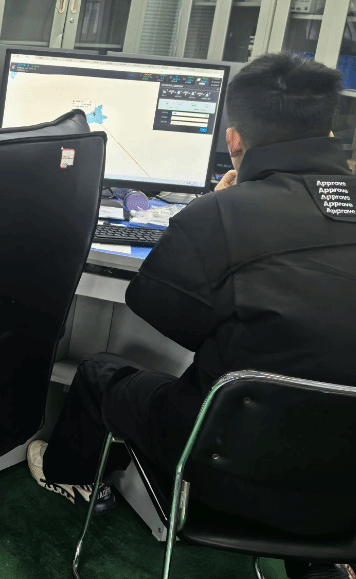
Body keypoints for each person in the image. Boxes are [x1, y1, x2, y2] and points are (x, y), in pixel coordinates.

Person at [28, 53, 355, 578]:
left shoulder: (220, 214)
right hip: (344, 495)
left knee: (99, 371)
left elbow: (160, 313)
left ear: (234, 141)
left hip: (222, 478)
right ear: (332, 131)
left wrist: (212, 213)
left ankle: (67, 474)